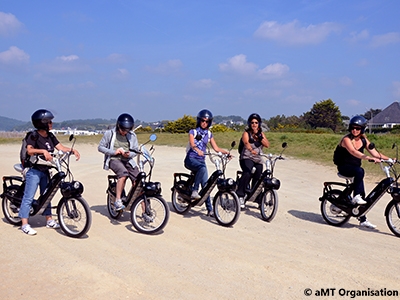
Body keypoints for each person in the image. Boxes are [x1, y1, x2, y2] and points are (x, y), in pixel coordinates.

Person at [19, 109, 80, 235]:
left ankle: (49, 220)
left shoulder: (51, 136)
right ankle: (24, 224)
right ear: (42, 123)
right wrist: (43, 151)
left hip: (46, 169)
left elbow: (61, 147)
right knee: (28, 197)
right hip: (34, 171)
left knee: (47, 195)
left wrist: (72, 150)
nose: (51, 123)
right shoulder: (33, 135)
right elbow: (30, 150)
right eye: (49, 121)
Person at [333, 115, 392, 229]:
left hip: (355, 169)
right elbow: (353, 152)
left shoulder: (363, 140)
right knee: (360, 172)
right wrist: (368, 158)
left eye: (358, 128)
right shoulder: (346, 139)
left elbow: (375, 153)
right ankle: (356, 198)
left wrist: (389, 159)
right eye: (353, 128)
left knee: (362, 192)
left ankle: (362, 219)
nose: (355, 130)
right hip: (344, 167)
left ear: (362, 129)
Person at [184, 109, 230, 216]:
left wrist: (226, 152)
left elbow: (216, 148)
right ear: (199, 120)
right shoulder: (193, 132)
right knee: (202, 168)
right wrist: (197, 150)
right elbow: (192, 144)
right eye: (203, 121)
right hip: (191, 159)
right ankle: (195, 190)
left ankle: (210, 210)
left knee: (206, 186)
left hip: (201, 161)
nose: (204, 123)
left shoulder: (209, 134)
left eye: (207, 121)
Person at [98, 113, 139, 212]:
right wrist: (114, 152)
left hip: (127, 160)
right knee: (123, 174)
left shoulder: (132, 135)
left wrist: (129, 154)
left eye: (128, 130)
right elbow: (100, 147)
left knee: (139, 180)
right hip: (114, 159)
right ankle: (118, 200)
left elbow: (135, 150)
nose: (125, 132)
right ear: (118, 126)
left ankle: (144, 209)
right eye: (123, 130)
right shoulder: (110, 134)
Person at [236, 113, 270, 209]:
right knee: (247, 172)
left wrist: (259, 136)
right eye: (252, 123)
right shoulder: (246, 133)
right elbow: (246, 143)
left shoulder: (261, 134)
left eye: (256, 123)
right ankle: (240, 195)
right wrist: (251, 150)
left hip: (258, 159)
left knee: (259, 178)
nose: (254, 124)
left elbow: (267, 144)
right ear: (249, 123)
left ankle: (257, 198)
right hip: (246, 157)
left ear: (259, 123)